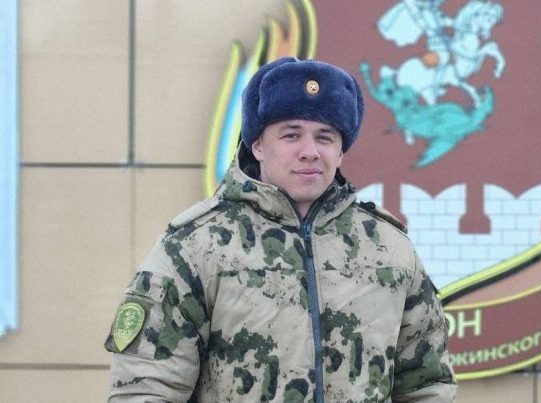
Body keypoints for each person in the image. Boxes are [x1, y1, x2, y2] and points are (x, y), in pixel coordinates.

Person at [104, 56, 457, 402]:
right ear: (257, 145)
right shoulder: (196, 247)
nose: (310, 151)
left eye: (325, 137)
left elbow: (428, 387)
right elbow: (145, 389)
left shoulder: (388, 249)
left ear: (341, 152)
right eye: (291, 135)